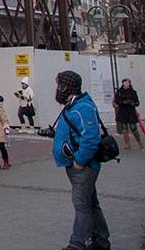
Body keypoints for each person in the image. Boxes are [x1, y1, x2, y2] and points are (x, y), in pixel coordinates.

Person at [50, 70, 110, 250]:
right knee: (91, 203)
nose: (57, 89)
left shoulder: (83, 107)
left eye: (59, 85)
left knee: (81, 205)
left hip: (83, 166)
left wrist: (80, 161)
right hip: (75, 164)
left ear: (66, 87)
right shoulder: (72, 106)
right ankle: (101, 240)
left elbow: (91, 138)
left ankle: (77, 243)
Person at [113, 78, 142, 150]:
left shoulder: (133, 92)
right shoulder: (119, 92)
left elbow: (137, 102)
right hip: (123, 111)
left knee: (133, 128)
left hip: (131, 111)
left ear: (129, 83)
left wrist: (133, 103)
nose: (126, 83)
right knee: (124, 128)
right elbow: (117, 100)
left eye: (127, 82)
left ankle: (139, 142)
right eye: (125, 82)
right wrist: (124, 102)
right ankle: (127, 143)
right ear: (122, 83)